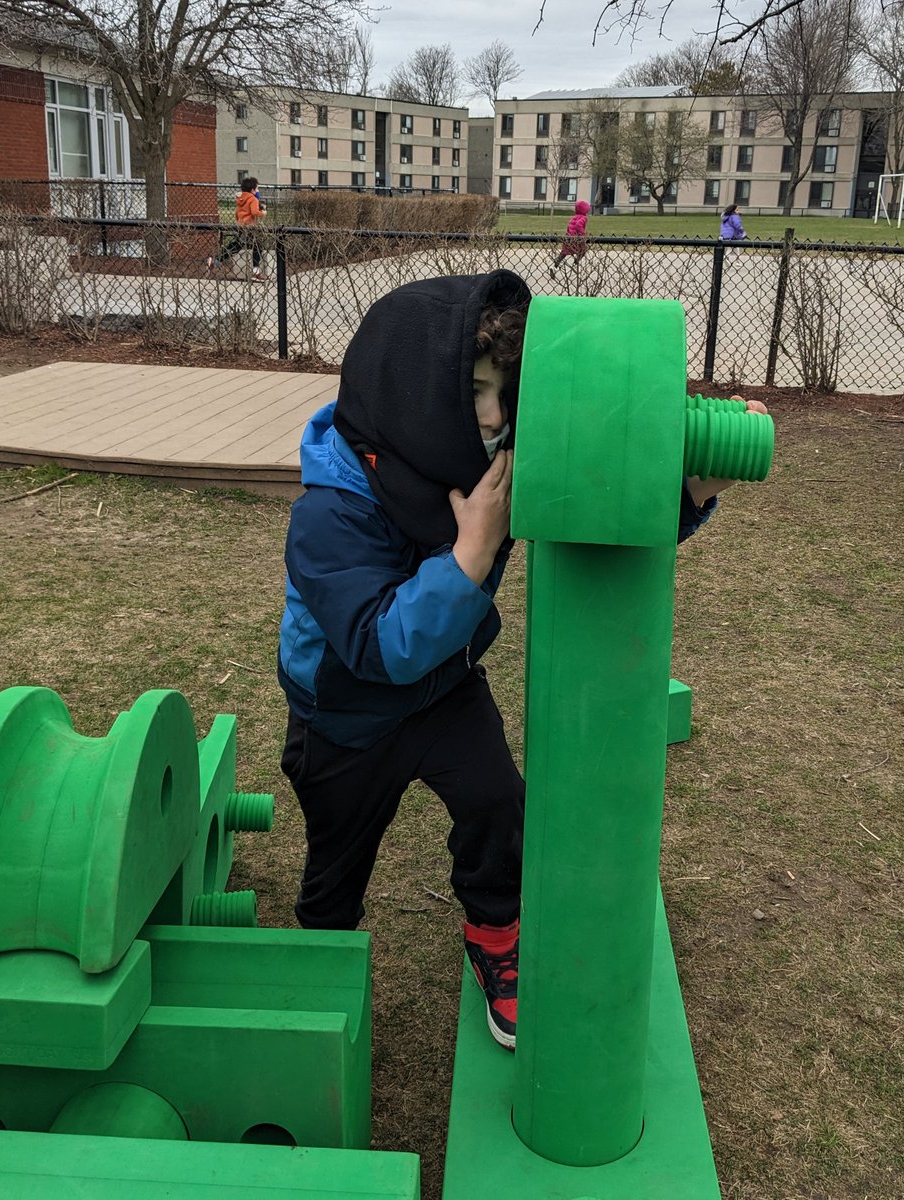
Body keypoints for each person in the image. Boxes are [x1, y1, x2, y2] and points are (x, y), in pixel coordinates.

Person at [276, 269, 768, 1051]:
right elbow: (375, 647)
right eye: (474, 390)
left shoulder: (493, 462)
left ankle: (495, 935)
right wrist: (472, 550)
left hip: (444, 692)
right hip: (347, 709)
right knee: (337, 857)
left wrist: (692, 486)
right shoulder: (331, 509)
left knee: (499, 807)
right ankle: (317, 958)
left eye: (506, 392)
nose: (495, 416)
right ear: (411, 391)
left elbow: (595, 512)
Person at [207, 176, 267, 280]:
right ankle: (256, 272)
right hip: (250, 228)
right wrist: (263, 212)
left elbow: (237, 213)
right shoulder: (253, 199)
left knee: (236, 246)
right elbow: (254, 212)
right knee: (257, 247)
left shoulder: (241, 199)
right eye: (257, 189)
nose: (258, 191)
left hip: (241, 226)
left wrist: (240, 222)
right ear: (252, 190)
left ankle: (215, 261)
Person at [549, 199, 591, 278]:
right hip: (576, 238)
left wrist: (568, 234)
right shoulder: (584, 218)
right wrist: (583, 234)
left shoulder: (573, 217)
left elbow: (569, 227)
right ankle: (575, 263)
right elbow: (578, 225)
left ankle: (554, 266)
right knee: (583, 250)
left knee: (563, 253)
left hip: (568, 237)